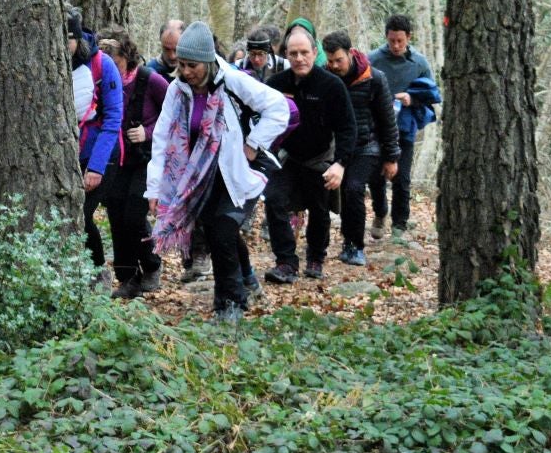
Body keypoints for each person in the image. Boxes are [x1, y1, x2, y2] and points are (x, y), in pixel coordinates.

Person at [146, 22, 288, 321]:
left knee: (223, 229)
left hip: (239, 170)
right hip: (200, 175)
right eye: (181, 64)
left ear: (208, 61)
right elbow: (161, 139)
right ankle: (246, 277)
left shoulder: (231, 82)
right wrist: (155, 188)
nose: (186, 71)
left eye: (192, 65)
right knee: (217, 232)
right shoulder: (177, 90)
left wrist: (254, 144)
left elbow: (279, 107)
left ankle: (230, 303)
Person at [263, 20, 356, 282]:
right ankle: (286, 262)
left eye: (304, 53)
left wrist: (340, 164)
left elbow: (348, 128)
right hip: (288, 157)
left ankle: (315, 258)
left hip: (320, 158)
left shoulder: (332, 85)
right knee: (274, 199)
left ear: (315, 53)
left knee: (319, 209)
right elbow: (257, 118)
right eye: (293, 54)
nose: (299, 58)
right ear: (286, 55)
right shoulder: (276, 84)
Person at [321, 30, 399, 268]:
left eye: (339, 60)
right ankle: (347, 240)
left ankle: (355, 246)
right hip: (338, 147)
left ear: (350, 53)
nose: (335, 65)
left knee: (354, 189)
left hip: (368, 146)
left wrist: (391, 156)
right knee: (343, 193)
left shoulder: (374, 78)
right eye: (330, 61)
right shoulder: (325, 77)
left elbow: (387, 119)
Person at [100, 29, 166, 298]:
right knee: (116, 216)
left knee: (134, 216)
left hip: (145, 160)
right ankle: (128, 277)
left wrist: (147, 132)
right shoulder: (100, 83)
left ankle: (151, 264)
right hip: (116, 160)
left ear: (127, 58)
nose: (110, 71)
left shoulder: (150, 80)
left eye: (114, 64)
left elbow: (175, 113)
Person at [365, 14, 439, 237]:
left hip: (404, 127)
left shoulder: (419, 62)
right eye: (391, 41)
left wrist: (412, 98)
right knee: (375, 175)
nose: (396, 46)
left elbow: (433, 94)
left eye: (400, 41)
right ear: (386, 37)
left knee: (402, 177)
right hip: (375, 126)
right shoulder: (373, 59)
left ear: (408, 37)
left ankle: (399, 226)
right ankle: (380, 213)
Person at [69, 11, 125, 284]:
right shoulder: (53, 64)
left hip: (101, 154)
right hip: (69, 154)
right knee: (70, 215)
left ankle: (98, 271)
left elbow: (114, 117)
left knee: (81, 213)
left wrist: (96, 166)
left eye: (69, 38)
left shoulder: (102, 65)